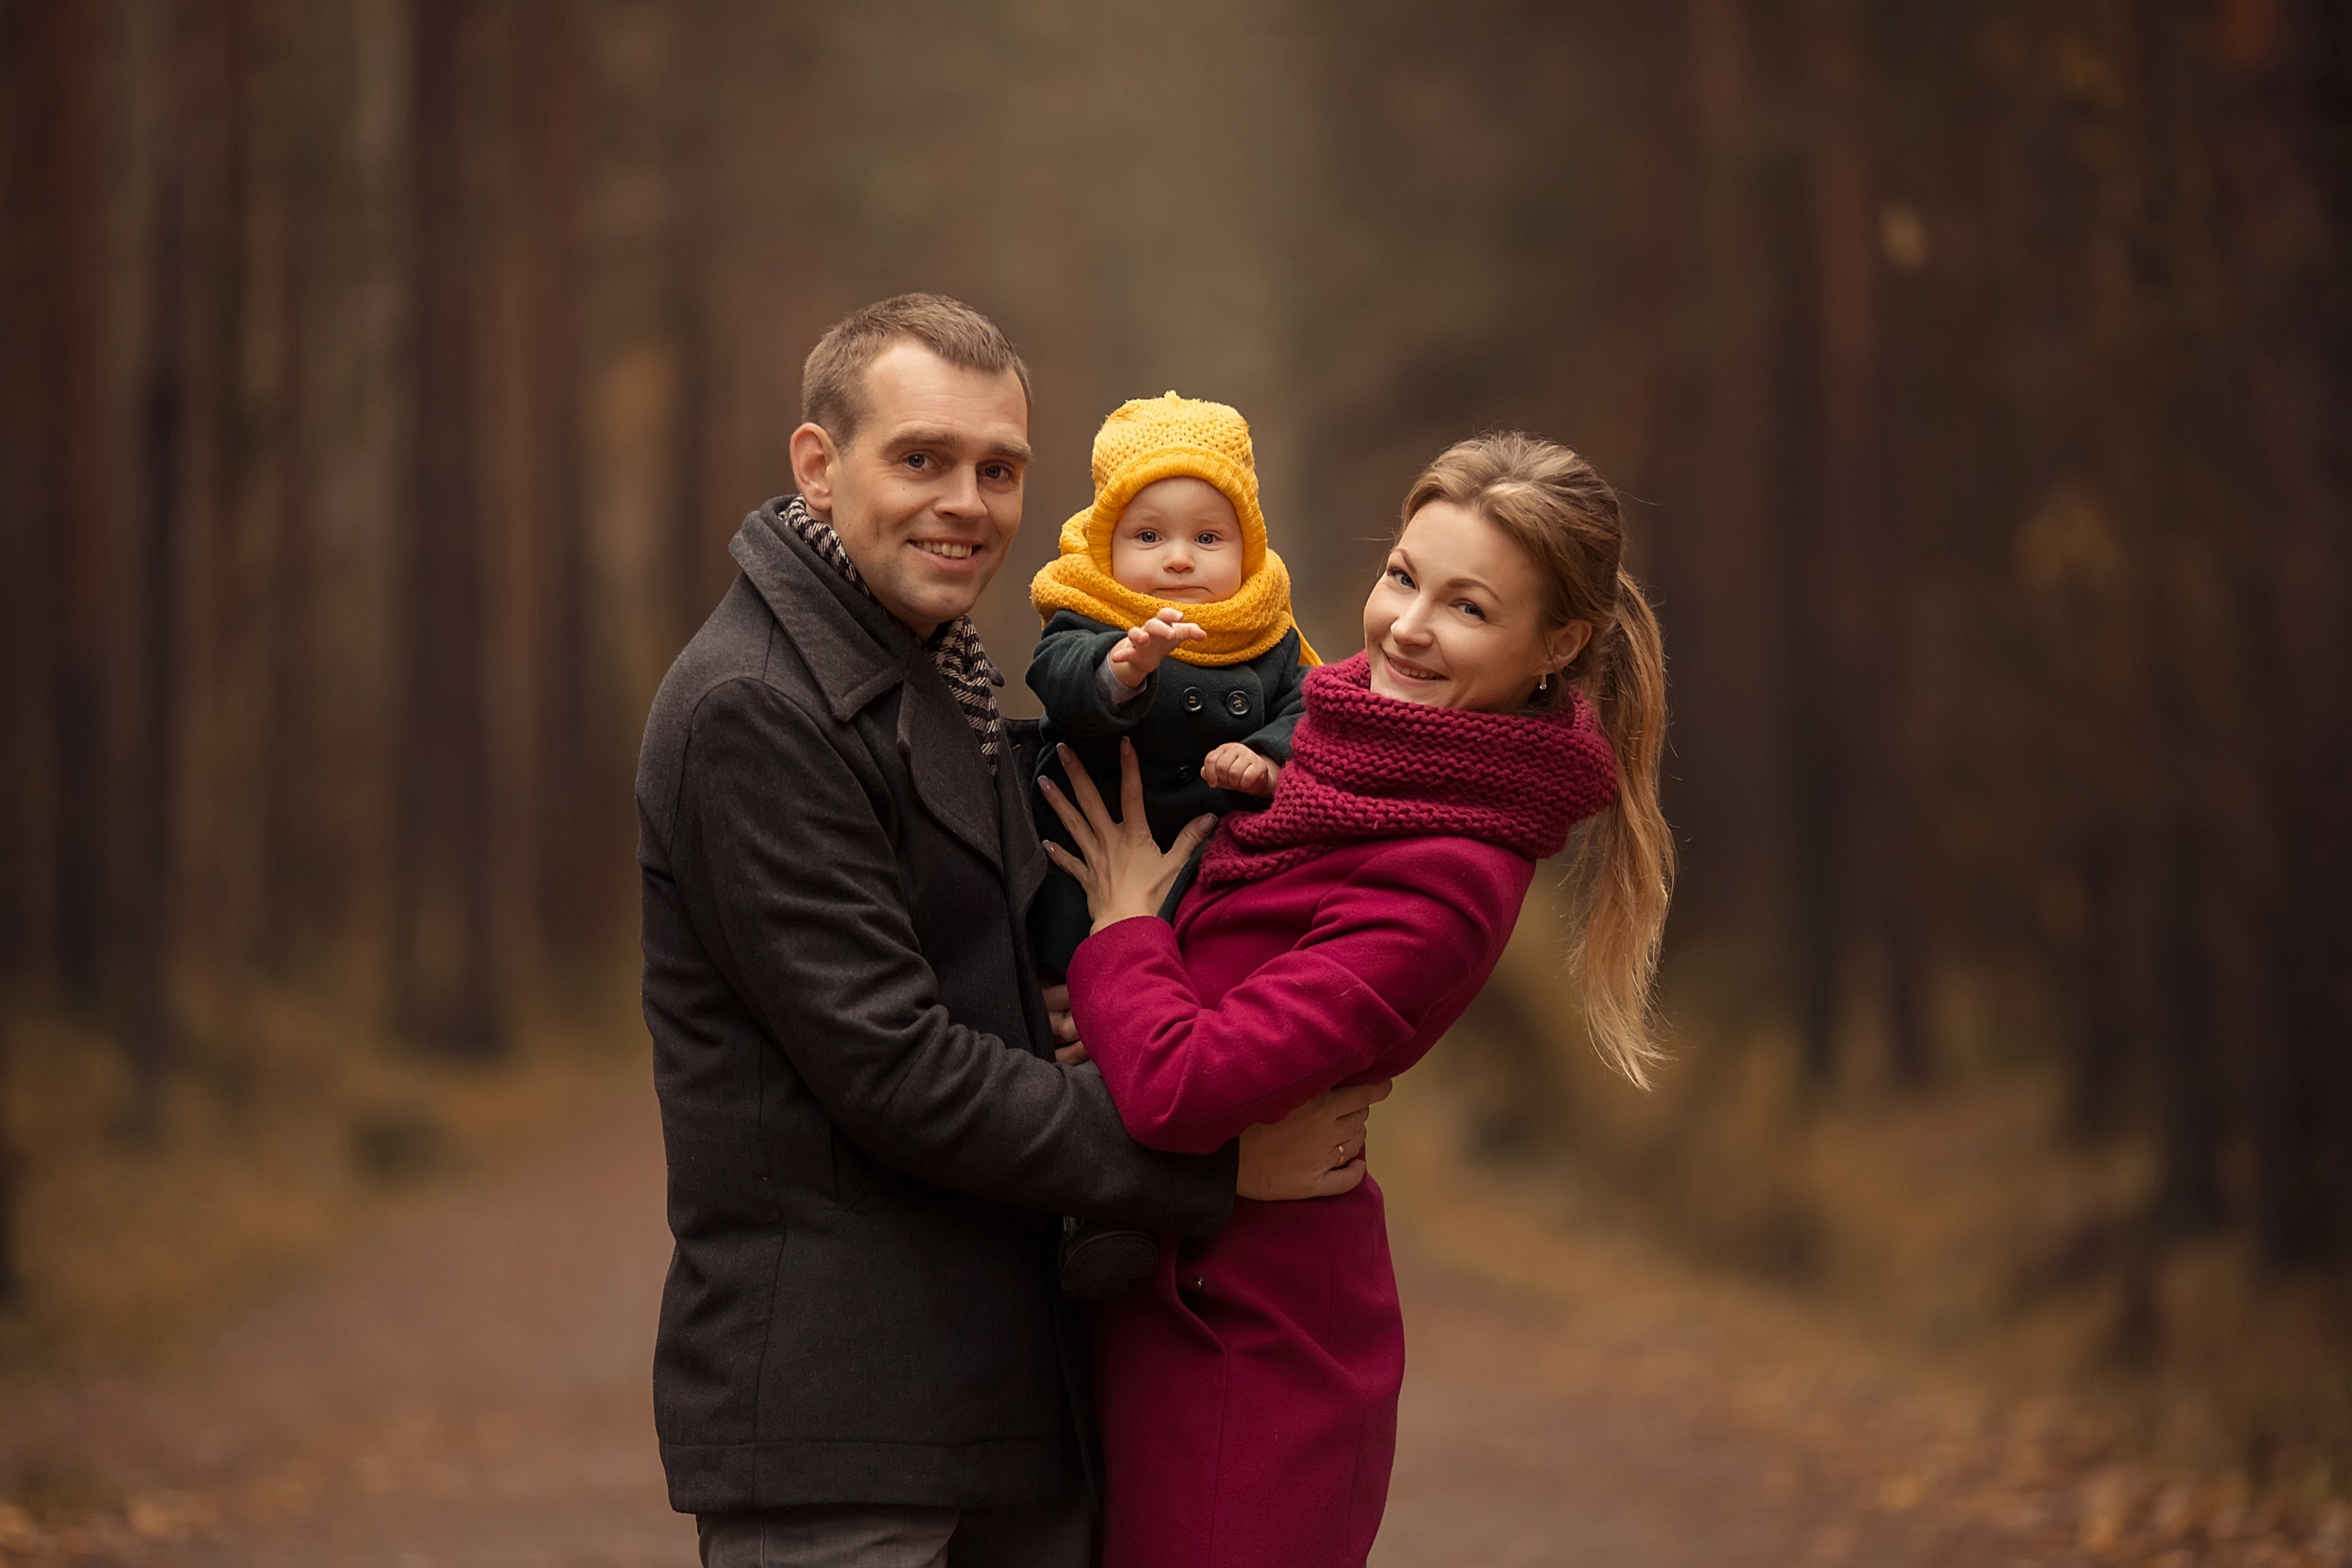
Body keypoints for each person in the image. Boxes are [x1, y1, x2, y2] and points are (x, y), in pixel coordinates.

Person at [636, 292, 1385, 1568]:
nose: (967, 503)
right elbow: (895, 1068)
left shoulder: (930, 660)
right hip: (844, 1417)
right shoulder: (754, 706)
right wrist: (1213, 1158)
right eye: (921, 458)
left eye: (998, 469)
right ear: (817, 464)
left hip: (998, 1389)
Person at [1040, 432, 1675, 1568]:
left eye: (1467, 607)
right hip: (1168, 1298)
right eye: (1401, 576)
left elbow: (1182, 1086)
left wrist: (1124, 928)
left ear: (1558, 646)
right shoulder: (1326, 752)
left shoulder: (1448, 868)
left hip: (1248, 1347)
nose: (1406, 628)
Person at [1023, 390, 1320, 1301]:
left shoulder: (1268, 632)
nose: (1179, 559)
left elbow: (1309, 707)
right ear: (1105, 543)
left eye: (1207, 536)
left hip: (1205, 881)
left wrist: (1266, 754)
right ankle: (1092, 1208)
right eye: (1148, 536)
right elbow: (1057, 678)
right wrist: (1122, 669)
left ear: (1248, 545)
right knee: (1083, 1036)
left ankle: (1185, 1190)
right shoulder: (1088, 613)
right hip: (1088, 879)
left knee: (1183, 1026)